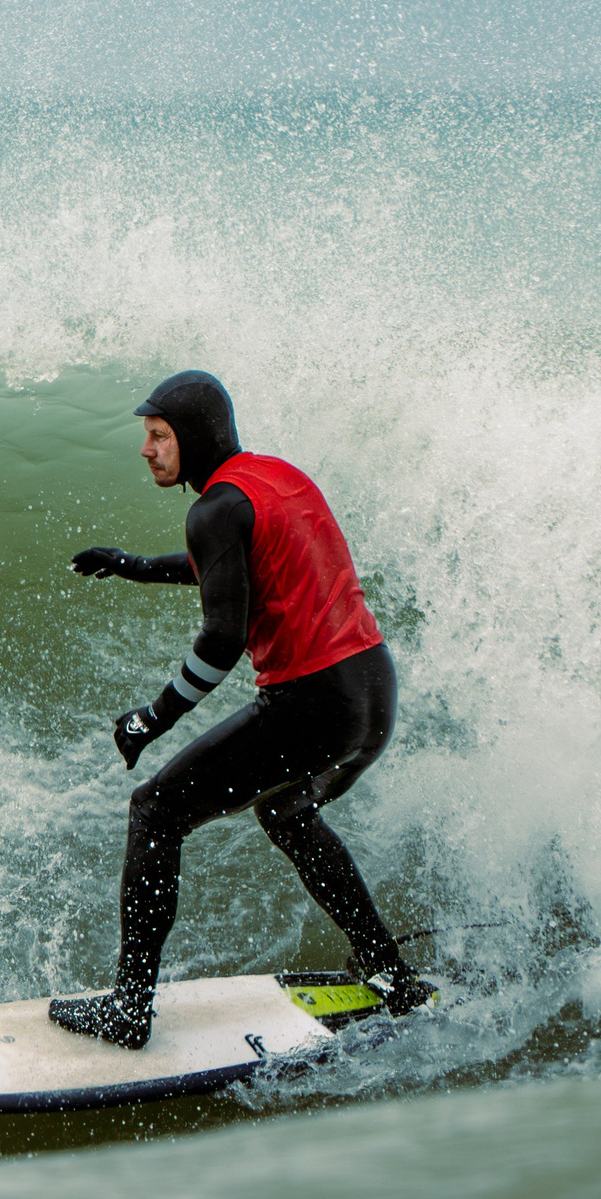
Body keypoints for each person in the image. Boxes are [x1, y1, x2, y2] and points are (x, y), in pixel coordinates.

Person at [52, 369, 429, 1050]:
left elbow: (222, 640)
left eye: (160, 436)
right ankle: (388, 971)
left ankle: (130, 1009)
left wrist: (153, 718)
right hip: (372, 692)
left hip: (314, 701)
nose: (147, 449)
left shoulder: (214, 509)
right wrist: (133, 564)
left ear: (194, 437)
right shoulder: (276, 478)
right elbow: (232, 562)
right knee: (287, 811)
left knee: (155, 810)